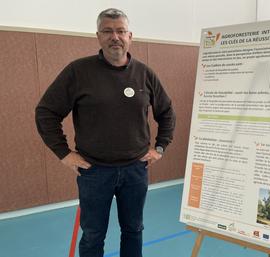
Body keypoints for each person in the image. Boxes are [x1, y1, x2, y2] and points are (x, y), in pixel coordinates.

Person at [35, 8, 176, 257]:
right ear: (98, 36)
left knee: (133, 229)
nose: (115, 37)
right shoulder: (78, 72)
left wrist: (160, 148)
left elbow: (166, 113)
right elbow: (46, 112)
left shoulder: (144, 73)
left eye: (121, 31)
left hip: (135, 170)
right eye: (108, 31)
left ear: (130, 36)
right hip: (94, 172)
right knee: (93, 234)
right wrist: (64, 154)